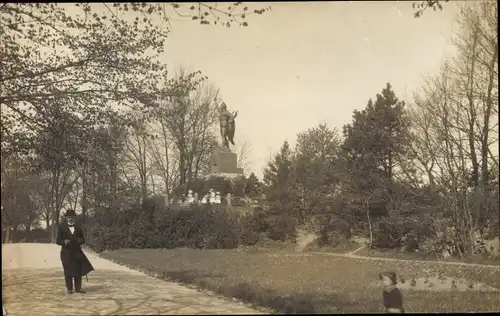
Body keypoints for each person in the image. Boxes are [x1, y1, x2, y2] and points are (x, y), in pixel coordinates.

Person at [56, 209, 94, 294]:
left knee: (78, 270)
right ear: (66, 218)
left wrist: (78, 241)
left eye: (72, 217)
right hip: (66, 252)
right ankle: (69, 289)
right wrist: (64, 242)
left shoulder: (78, 227)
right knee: (68, 270)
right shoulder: (62, 227)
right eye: (69, 217)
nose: (70, 219)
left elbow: (83, 239)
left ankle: (78, 288)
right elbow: (58, 241)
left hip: (77, 252)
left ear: (74, 218)